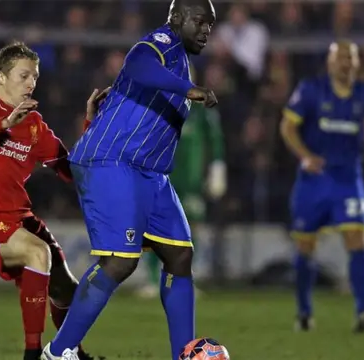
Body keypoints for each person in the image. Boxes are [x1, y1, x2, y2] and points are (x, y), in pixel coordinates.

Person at [42, 1, 218, 359]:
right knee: (121, 261)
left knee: (180, 256)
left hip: (148, 172)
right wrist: (187, 89)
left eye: (210, 26)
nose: (206, 31)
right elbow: (137, 63)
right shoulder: (164, 41)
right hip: (115, 163)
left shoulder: (181, 60)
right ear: (177, 18)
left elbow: (135, 95)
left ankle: (183, 355)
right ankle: (58, 352)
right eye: (200, 22)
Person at [0, 42, 107, 360]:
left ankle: (70, 353)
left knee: (67, 291)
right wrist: (3, 124)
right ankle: (34, 355)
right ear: (0, 77)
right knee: (38, 254)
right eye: (24, 76)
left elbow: (71, 170)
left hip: (20, 219)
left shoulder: (33, 125)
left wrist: (91, 125)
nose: (31, 83)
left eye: (34, 77)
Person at [280, 40, 364, 333]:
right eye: (340, 57)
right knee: (305, 247)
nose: (345, 62)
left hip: (348, 179)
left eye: (350, 57)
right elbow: (287, 127)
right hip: (314, 181)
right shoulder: (310, 90)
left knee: (357, 239)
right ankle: (304, 313)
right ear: (329, 63)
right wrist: (305, 155)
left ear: (357, 63)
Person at [137, 76, 227, 299]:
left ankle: (184, 278)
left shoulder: (202, 111)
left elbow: (215, 140)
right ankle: (152, 279)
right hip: (160, 178)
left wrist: (217, 169)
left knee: (189, 229)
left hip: (191, 182)